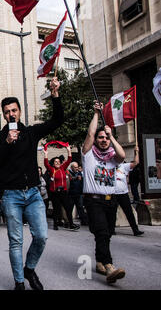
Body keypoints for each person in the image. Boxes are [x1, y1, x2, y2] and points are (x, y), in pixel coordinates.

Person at [0, 77, 63, 290]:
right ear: (3, 115)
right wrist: (7, 142)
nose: (11, 114)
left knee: (41, 236)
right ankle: (19, 282)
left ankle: (29, 269)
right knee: (16, 242)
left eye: (14, 110)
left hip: (32, 194)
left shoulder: (31, 133)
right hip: (11, 196)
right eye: (7, 112)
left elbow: (57, 120)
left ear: (19, 111)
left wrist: (55, 95)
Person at [81, 102, 126, 285]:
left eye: (106, 138)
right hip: (94, 201)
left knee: (106, 233)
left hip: (110, 201)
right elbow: (90, 135)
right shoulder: (89, 156)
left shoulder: (112, 158)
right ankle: (109, 266)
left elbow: (122, 155)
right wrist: (97, 114)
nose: (103, 140)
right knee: (101, 231)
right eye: (101, 138)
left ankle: (99, 260)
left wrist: (111, 135)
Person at [44, 146, 79, 231]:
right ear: (53, 163)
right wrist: (46, 154)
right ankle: (55, 224)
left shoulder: (63, 168)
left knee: (68, 208)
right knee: (56, 209)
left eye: (58, 161)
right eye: (56, 162)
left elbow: (69, 160)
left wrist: (68, 150)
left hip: (64, 192)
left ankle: (71, 224)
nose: (57, 163)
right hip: (55, 193)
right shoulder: (52, 170)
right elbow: (46, 164)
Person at [115, 147, 144, 236]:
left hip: (123, 193)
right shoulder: (109, 165)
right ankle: (111, 229)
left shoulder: (123, 166)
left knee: (129, 212)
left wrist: (136, 153)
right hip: (112, 193)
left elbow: (135, 163)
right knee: (112, 212)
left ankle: (135, 230)